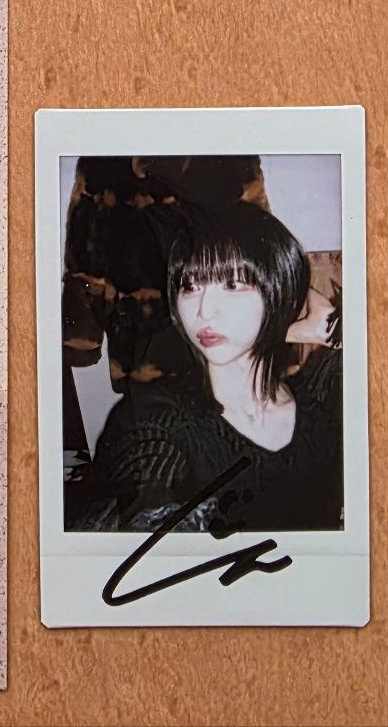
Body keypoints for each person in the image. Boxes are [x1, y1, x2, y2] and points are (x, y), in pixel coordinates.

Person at [66, 200, 343, 534]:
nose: (203, 311)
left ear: (280, 293)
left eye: (232, 285)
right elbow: (143, 513)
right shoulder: (155, 419)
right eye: (190, 286)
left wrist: (308, 326)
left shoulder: (321, 398)